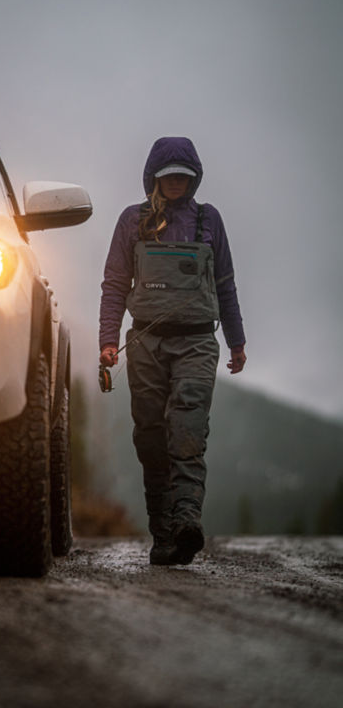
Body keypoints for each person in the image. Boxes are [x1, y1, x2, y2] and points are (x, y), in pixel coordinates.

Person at [99, 136, 246, 566]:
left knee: (187, 426)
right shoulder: (133, 220)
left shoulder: (209, 221)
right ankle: (163, 535)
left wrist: (236, 341)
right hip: (144, 341)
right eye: (169, 176)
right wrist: (109, 339)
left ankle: (186, 521)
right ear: (154, 179)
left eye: (183, 175)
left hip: (199, 341)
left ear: (194, 177)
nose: (177, 182)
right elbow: (114, 284)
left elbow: (225, 284)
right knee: (150, 436)